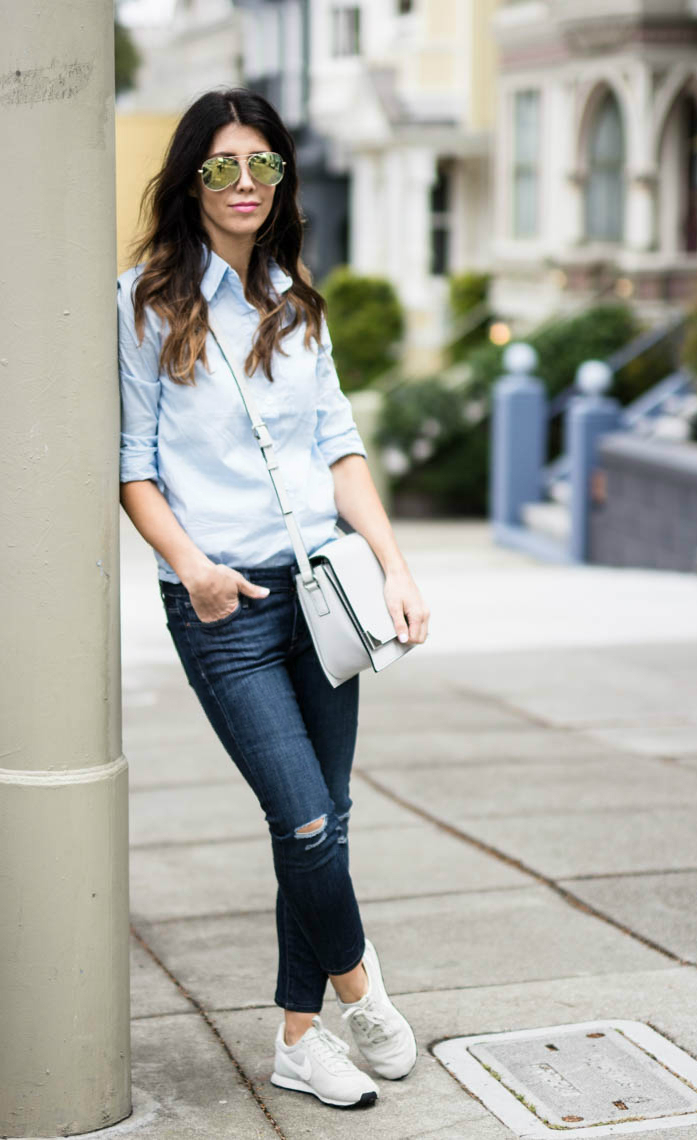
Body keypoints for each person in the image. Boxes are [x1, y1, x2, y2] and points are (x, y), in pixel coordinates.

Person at [117, 88, 430, 1110]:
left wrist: (392, 563)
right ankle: (365, 995)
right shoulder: (144, 303)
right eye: (221, 167)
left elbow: (338, 444)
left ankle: (300, 1041)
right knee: (302, 825)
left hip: (320, 601)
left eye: (262, 165)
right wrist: (194, 569)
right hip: (224, 609)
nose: (244, 185)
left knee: (325, 820)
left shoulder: (297, 297)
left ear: (283, 178)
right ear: (191, 181)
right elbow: (132, 470)